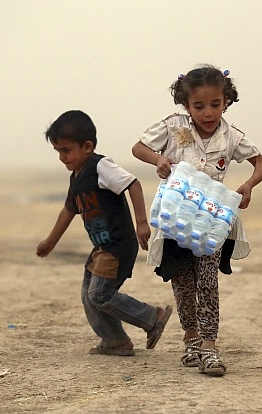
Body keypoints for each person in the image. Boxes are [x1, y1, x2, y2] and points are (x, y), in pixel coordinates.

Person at [132, 65, 262, 376]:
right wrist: (159, 159)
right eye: (199, 106)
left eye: (215, 104)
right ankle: (191, 339)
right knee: (182, 283)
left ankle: (210, 347)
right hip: (175, 219)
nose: (208, 113)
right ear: (186, 104)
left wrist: (248, 185)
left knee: (207, 282)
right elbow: (138, 147)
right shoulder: (172, 127)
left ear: (226, 101)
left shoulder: (231, 136)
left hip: (211, 221)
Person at [37, 110, 172, 357]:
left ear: (87, 146)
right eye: (58, 151)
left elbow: (133, 184)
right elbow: (68, 211)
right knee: (89, 295)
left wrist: (142, 223)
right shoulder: (76, 178)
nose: (61, 157)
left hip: (118, 246)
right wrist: (50, 242)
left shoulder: (99, 166)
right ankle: (115, 340)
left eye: (66, 150)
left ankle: (153, 318)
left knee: (100, 294)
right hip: (101, 247)